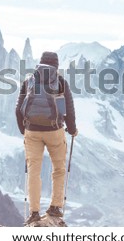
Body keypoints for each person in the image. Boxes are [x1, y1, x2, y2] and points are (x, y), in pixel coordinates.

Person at [16, 51, 78, 225]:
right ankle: (55, 207)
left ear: (40, 64)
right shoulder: (60, 83)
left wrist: (25, 130)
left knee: (33, 171)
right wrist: (72, 131)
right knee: (58, 168)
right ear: (56, 66)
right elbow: (68, 112)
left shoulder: (29, 81)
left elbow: (18, 109)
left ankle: (34, 212)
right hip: (54, 131)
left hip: (32, 132)